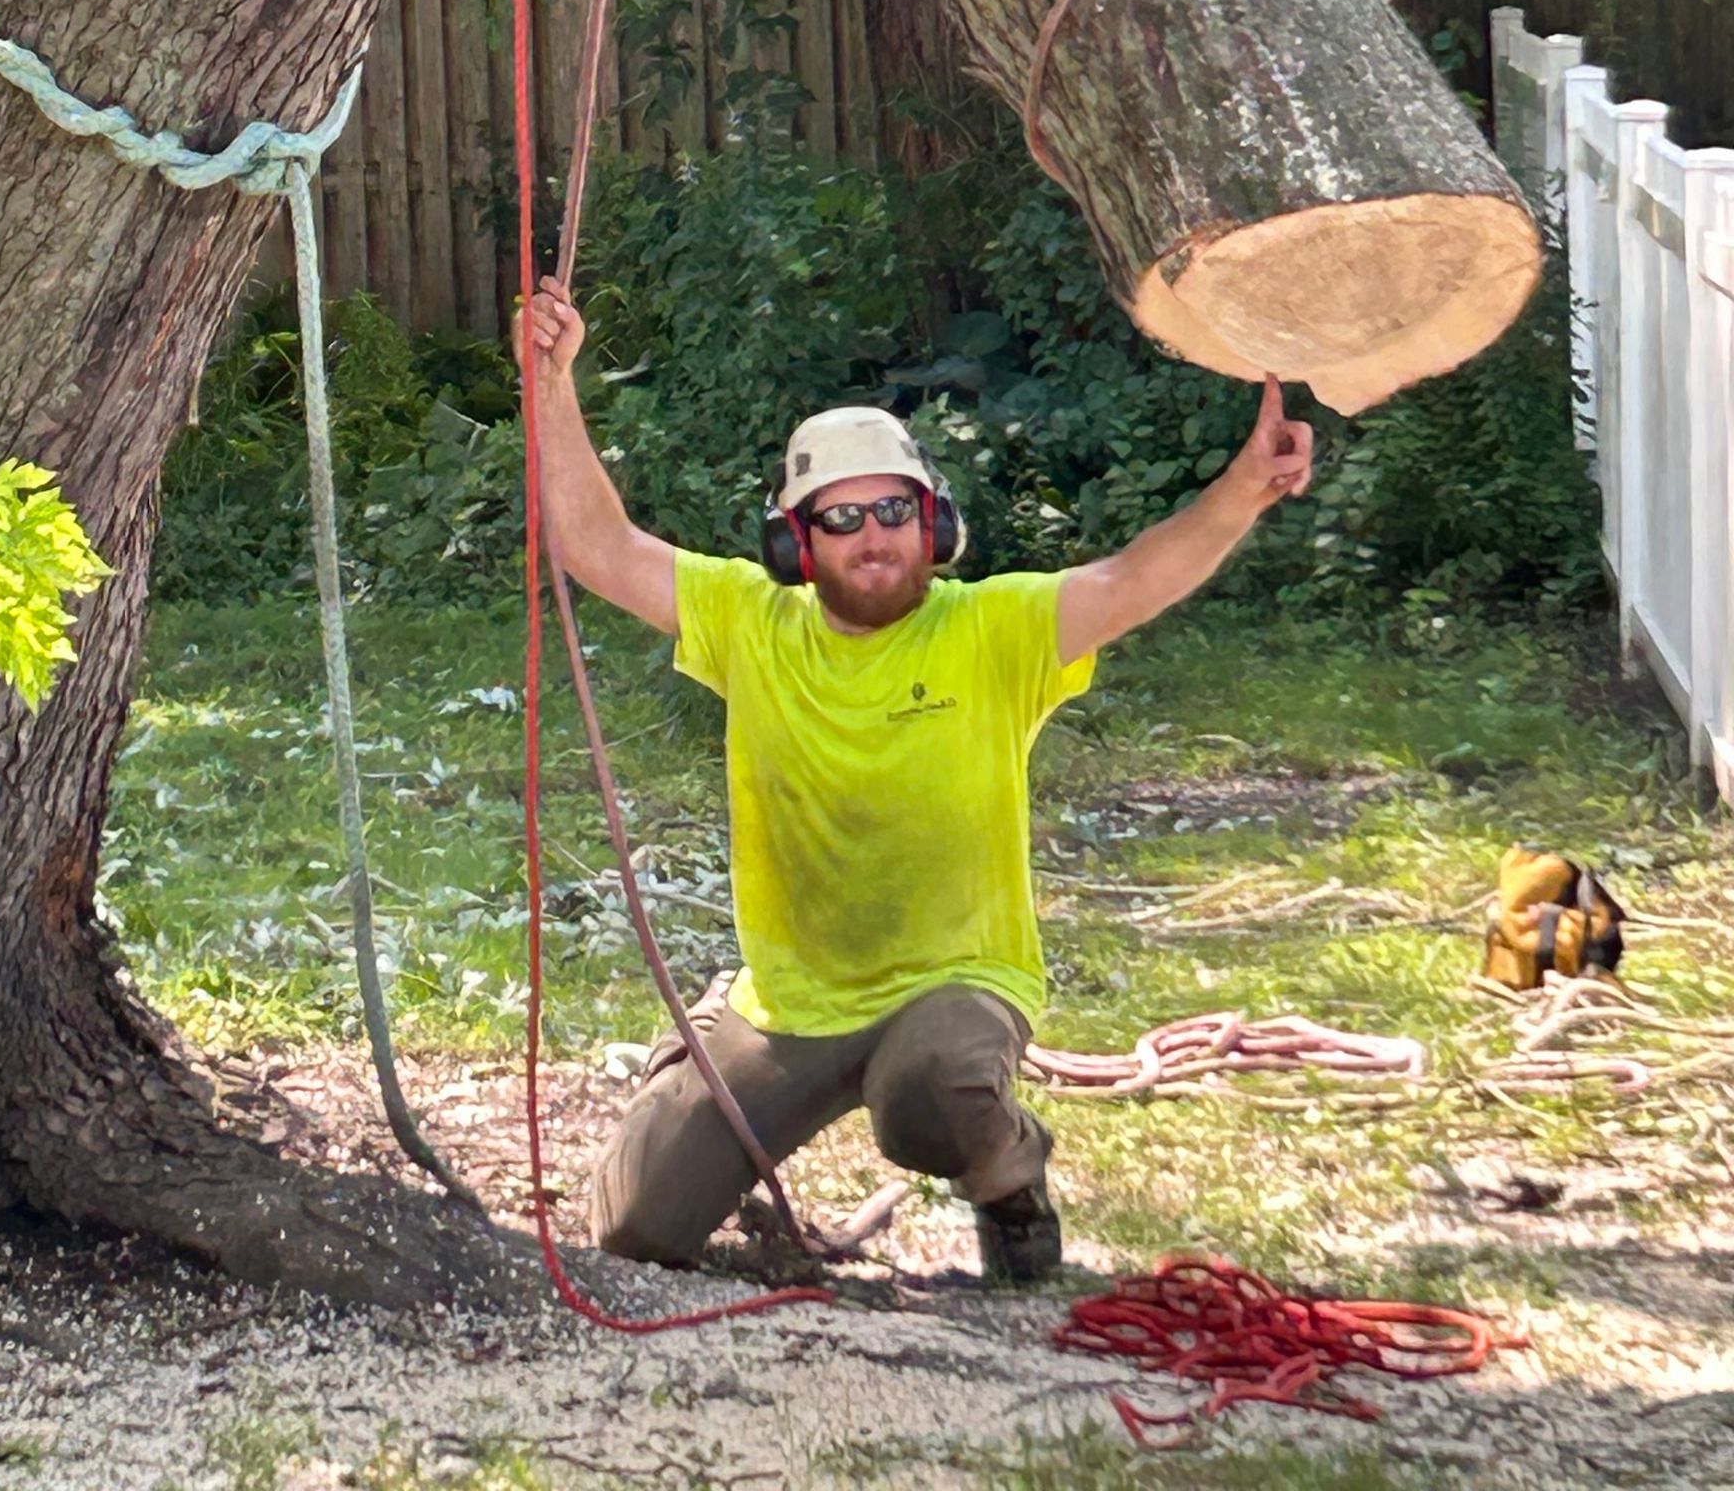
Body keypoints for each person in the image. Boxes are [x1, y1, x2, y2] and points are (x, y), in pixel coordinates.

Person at [520, 276, 1314, 1283]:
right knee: (635, 1229)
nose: (870, 535)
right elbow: (595, 545)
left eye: (891, 509)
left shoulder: (996, 629)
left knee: (935, 1087)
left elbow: (1133, 577)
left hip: (953, 989)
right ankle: (709, 1052)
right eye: (839, 519)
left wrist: (1246, 485)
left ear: (931, 522)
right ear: (795, 545)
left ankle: (1008, 1180)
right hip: (792, 1003)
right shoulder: (748, 623)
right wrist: (551, 381)